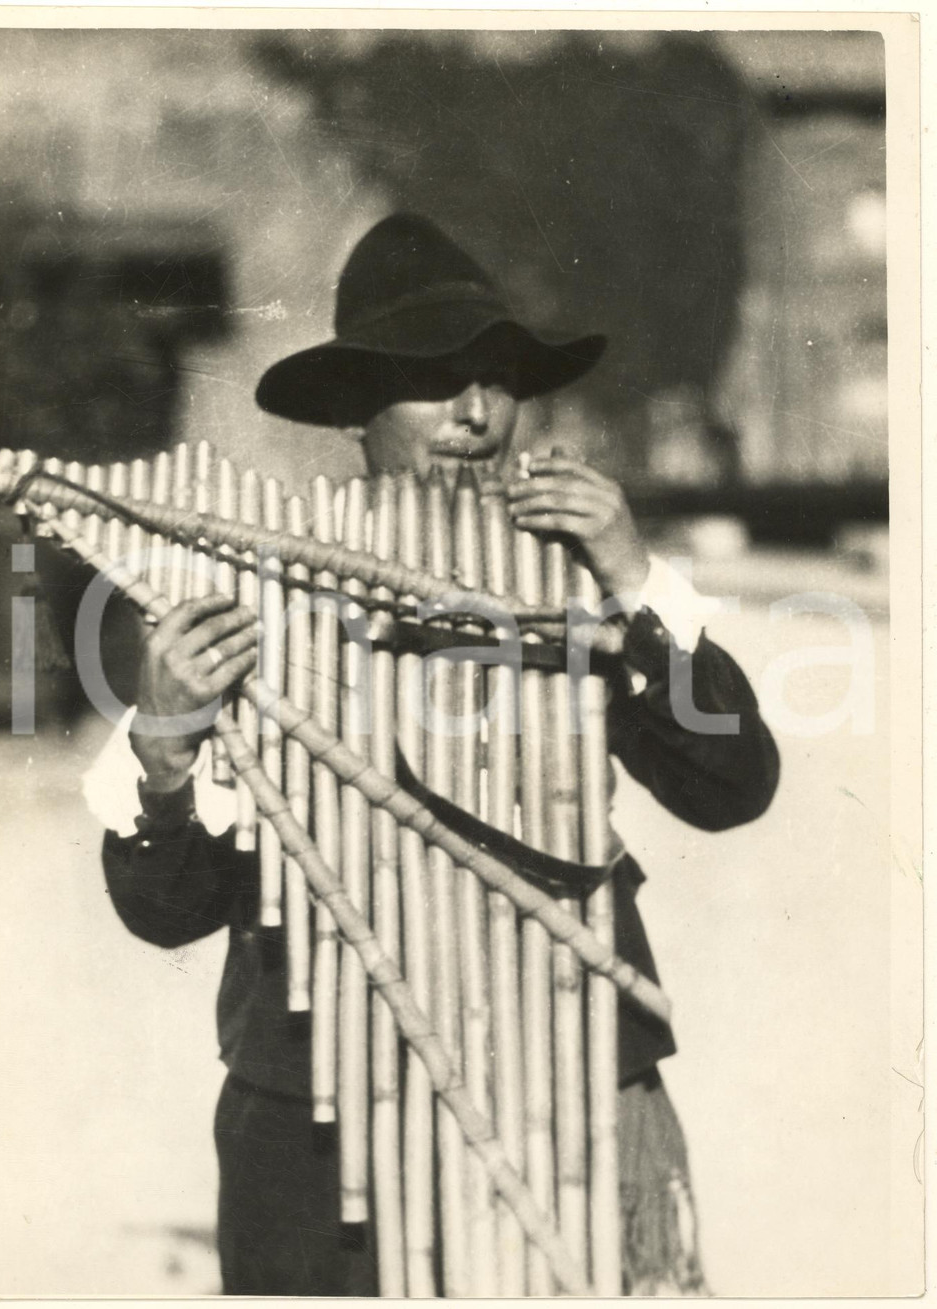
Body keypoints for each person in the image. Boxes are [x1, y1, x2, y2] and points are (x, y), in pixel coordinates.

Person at [85, 213, 779, 1296]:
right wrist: (167, 747)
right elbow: (167, 909)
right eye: (433, 381)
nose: (475, 413)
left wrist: (634, 581)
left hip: (571, 1070)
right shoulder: (250, 592)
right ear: (358, 408)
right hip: (324, 1111)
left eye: (498, 379)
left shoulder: (579, 574)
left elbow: (732, 789)